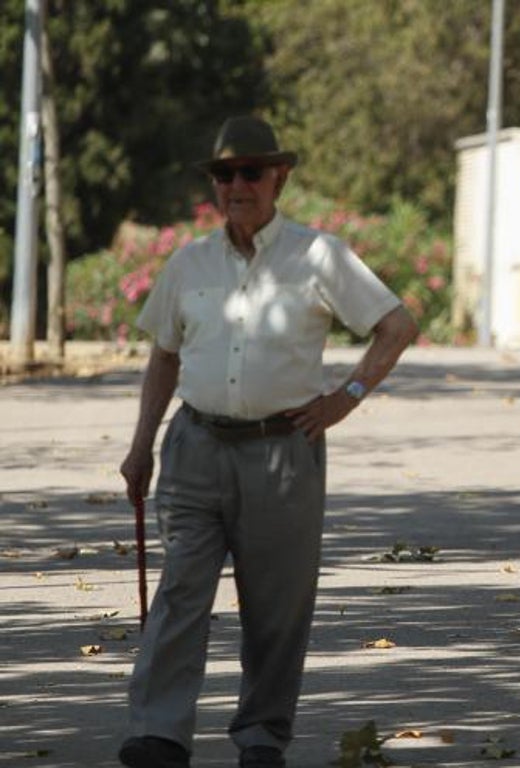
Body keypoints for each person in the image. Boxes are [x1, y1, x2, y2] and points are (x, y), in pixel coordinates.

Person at [117, 115, 418, 767]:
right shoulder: (189, 261)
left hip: (283, 452)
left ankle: (260, 737)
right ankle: (158, 734)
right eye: (224, 174)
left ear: (279, 176)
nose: (236, 185)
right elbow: (164, 356)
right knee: (180, 593)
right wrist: (140, 445)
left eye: (250, 171)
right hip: (194, 447)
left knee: (277, 609)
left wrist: (346, 398)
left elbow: (396, 325)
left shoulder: (319, 255)